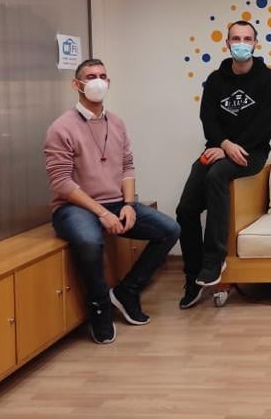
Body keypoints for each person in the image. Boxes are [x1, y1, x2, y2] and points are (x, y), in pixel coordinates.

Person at [44, 59, 181, 344]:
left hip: (117, 202)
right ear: (76, 84)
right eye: (90, 76)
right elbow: (62, 183)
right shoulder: (61, 128)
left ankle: (127, 291)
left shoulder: (116, 122)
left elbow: (127, 167)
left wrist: (128, 204)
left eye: (102, 76)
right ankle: (99, 306)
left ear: (108, 82)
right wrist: (102, 213)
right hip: (75, 207)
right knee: (90, 241)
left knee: (169, 230)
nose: (97, 81)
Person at [177, 20, 271, 309]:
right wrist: (224, 145)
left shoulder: (270, 80)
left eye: (247, 38)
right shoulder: (215, 80)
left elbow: (263, 123)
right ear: (227, 44)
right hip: (218, 148)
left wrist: (233, 148)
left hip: (253, 152)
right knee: (185, 209)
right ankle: (193, 276)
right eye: (236, 38)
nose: (241, 43)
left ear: (255, 44)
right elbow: (207, 118)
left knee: (218, 175)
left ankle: (215, 259)